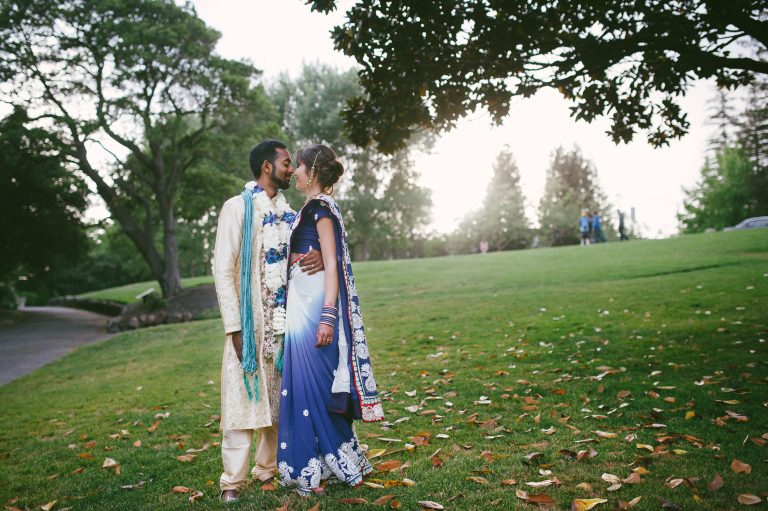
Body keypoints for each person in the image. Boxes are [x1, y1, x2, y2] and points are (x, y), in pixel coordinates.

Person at [212, 139, 325, 502]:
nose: (292, 169)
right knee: (241, 401)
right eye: (286, 163)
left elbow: (303, 256)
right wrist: (234, 326)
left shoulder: (291, 214)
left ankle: (267, 469)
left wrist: (319, 258)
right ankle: (232, 481)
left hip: (284, 321)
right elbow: (222, 269)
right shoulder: (237, 208)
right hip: (250, 323)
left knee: (278, 399)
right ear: (266, 166)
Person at [277, 144, 384, 496]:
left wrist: (327, 317)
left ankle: (329, 464)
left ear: (312, 171)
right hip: (301, 304)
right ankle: (319, 466)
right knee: (303, 386)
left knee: (316, 387)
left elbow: (333, 264)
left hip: (315, 309)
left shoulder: (321, 208)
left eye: (299, 166)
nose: (293, 171)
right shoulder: (311, 207)